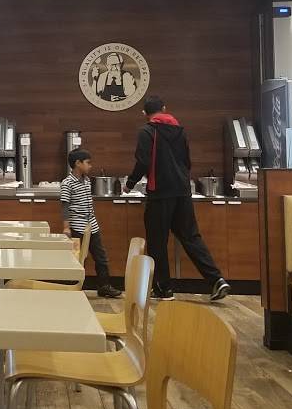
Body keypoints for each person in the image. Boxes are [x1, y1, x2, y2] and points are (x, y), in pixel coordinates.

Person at [124, 95, 231, 302]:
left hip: (160, 192)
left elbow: (143, 161)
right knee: (191, 237)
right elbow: (187, 161)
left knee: (157, 241)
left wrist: (130, 183)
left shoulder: (147, 131)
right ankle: (216, 279)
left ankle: (164, 288)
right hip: (182, 191)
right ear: (164, 109)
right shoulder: (180, 131)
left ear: (144, 113)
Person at [61, 148, 122, 299]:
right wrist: (66, 227)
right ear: (78, 163)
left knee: (101, 256)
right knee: (78, 258)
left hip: (92, 226)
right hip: (77, 227)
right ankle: (73, 287)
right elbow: (65, 206)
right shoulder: (68, 183)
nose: (90, 166)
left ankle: (104, 286)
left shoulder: (87, 180)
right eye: (88, 163)